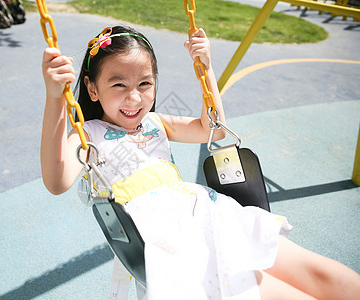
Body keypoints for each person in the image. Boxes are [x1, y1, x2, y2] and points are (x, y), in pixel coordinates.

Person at [40, 25, 360, 299]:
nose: (134, 97)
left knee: (329, 277)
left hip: (213, 215)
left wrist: (205, 67)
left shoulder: (156, 123)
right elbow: (57, 181)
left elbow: (213, 128)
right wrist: (55, 98)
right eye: (118, 84)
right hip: (173, 242)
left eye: (145, 84)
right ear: (92, 88)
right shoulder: (89, 135)